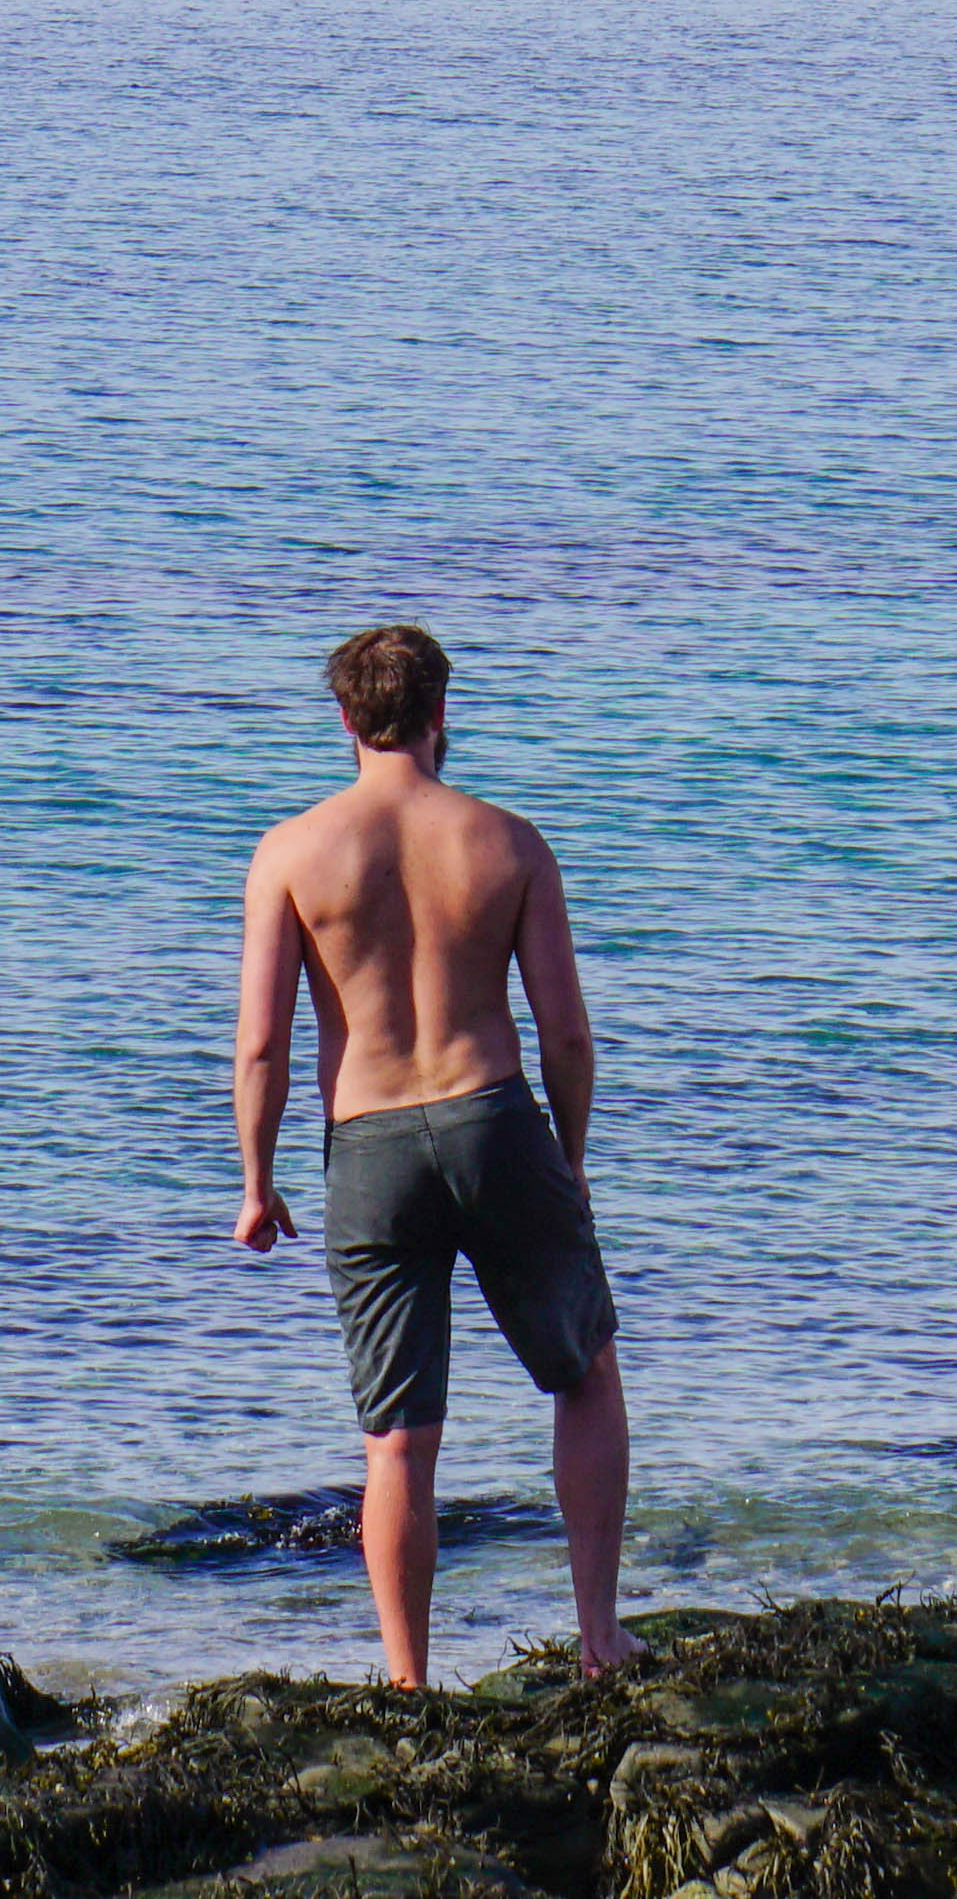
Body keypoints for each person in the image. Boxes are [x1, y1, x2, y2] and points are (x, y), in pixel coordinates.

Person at [231, 619, 638, 1682]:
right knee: (583, 1371)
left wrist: (257, 1180)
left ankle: (409, 1683)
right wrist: (574, 1158)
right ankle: (599, 1635)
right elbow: (567, 1032)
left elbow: (263, 1041)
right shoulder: (506, 841)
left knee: (398, 1439)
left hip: (367, 1144)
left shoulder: (290, 851)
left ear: (343, 717)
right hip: (493, 1119)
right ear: (441, 712)